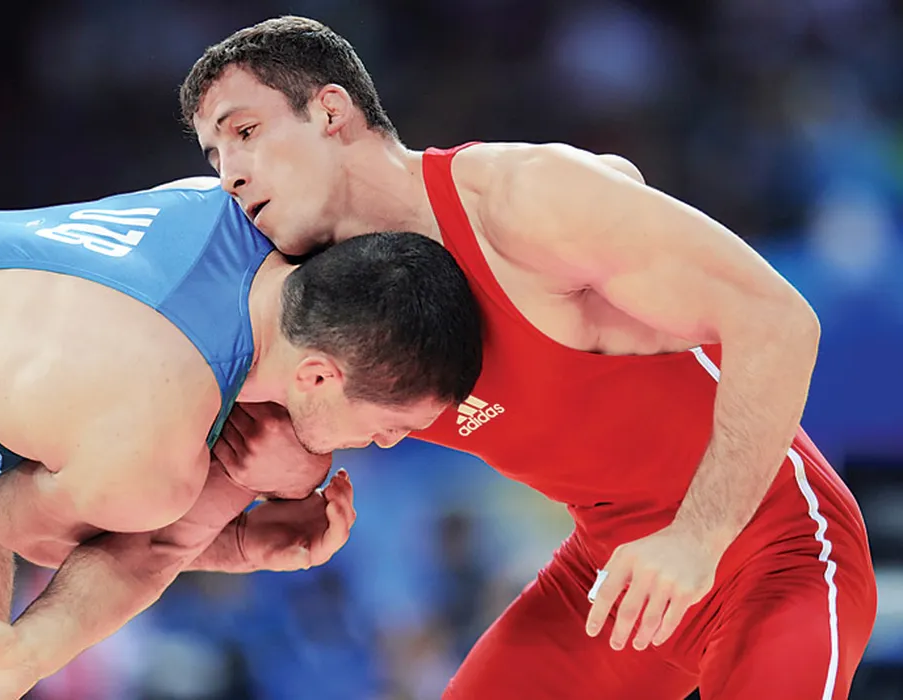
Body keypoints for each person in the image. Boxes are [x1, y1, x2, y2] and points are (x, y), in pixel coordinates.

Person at [178, 16, 878, 699]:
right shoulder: (298, 306)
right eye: (213, 156)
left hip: (772, 548)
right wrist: (235, 548)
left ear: (331, 111)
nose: (230, 175)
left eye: (246, 133)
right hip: (612, 575)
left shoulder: (525, 202)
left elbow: (779, 321)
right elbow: (155, 518)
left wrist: (698, 537)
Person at [0, 177, 482, 700]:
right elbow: (15, 522)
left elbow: (149, 535)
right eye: (393, 424)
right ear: (318, 375)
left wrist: (237, 524)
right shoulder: (155, 431)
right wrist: (229, 538)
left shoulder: (262, 216)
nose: (388, 443)